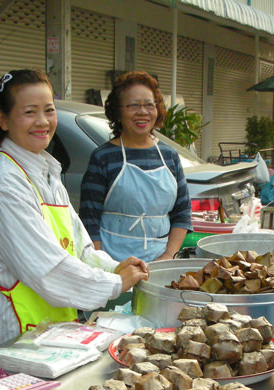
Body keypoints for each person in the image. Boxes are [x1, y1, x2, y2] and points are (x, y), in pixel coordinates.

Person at [0, 69, 149, 350]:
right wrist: (113, 284)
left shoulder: (45, 172)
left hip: (53, 326)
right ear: (3, 120)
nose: (42, 122)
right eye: (30, 112)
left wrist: (115, 267)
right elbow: (46, 268)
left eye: (49, 111)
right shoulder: (2, 182)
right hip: (16, 330)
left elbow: (79, 248)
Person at [79, 71, 191, 263]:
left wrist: (168, 255)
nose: (143, 112)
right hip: (114, 262)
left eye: (149, 105)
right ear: (118, 111)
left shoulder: (169, 156)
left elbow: (182, 213)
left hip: (160, 261)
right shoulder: (103, 157)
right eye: (133, 105)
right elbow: (89, 220)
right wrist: (103, 265)